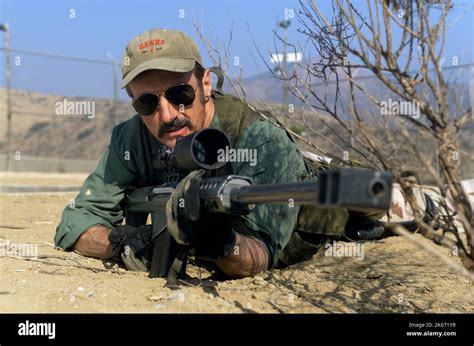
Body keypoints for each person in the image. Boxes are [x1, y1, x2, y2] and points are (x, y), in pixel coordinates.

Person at [54, 28, 376, 278]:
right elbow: (75, 222)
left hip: (324, 213)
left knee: (386, 202)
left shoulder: (258, 139)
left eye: (181, 94)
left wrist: (222, 244)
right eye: (147, 103)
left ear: (205, 85)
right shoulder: (131, 137)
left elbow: (260, 255)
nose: (167, 115)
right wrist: (122, 242)